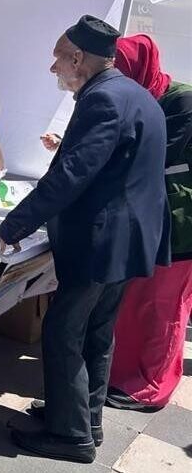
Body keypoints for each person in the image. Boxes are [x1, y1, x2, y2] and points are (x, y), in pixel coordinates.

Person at [0, 16, 169, 464]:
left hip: (103, 241)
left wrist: (11, 228)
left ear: (79, 58)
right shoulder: (136, 95)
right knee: (97, 332)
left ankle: (70, 436)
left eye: (58, 57)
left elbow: (70, 175)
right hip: (129, 241)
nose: (53, 68)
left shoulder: (103, 99)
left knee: (64, 329)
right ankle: (87, 419)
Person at [106, 33, 192, 412]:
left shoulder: (183, 102)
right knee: (138, 301)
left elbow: (152, 155)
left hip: (181, 224)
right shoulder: (147, 96)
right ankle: (126, 374)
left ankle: (152, 387)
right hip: (153, 219)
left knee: (165, 308)